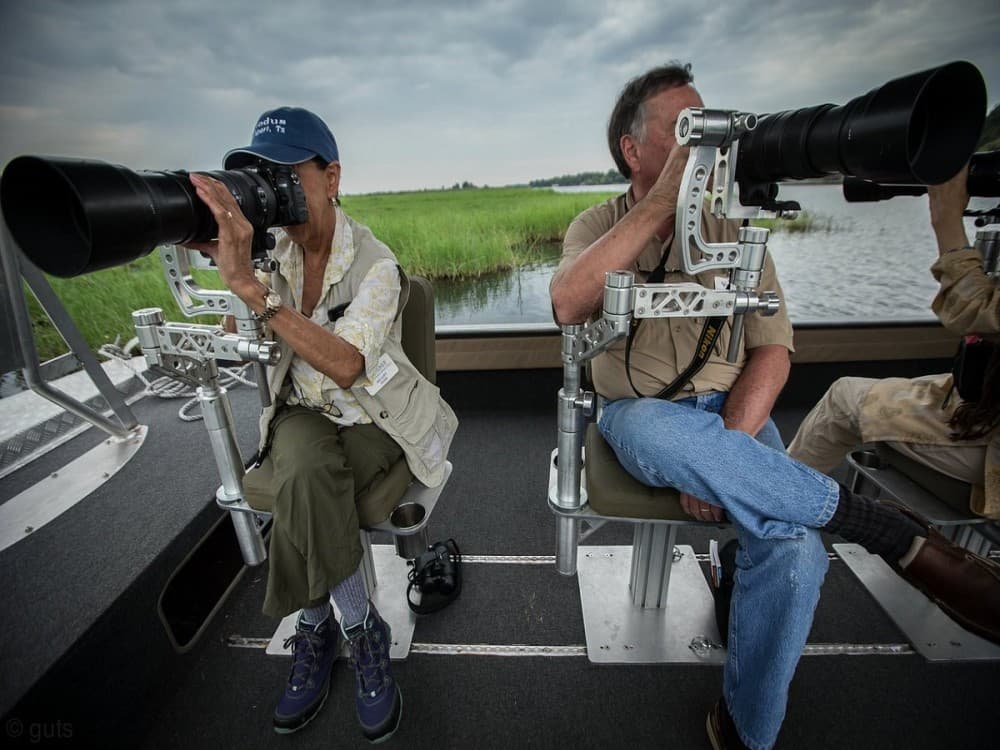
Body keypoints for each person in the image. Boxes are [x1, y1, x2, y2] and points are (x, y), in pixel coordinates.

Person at [549, 62, 1000, 750]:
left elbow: (772, 352)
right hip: (639, 417)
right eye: (685, 131)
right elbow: (566, 303)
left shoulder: (735, 232)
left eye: (712, 130)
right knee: (662, 434)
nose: (706, 148)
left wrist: (725, 447)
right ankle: (874, 524)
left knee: (797, 557)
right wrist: (657, 208)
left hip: (732, 413)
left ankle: (744, 731)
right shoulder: (597, 224)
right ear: (632, 151)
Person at [185, 106, 457, 741]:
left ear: (331, 177)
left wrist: (256, 291)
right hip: (301, 418)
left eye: (288, 174)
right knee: (306, 466)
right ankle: (363, 630)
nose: (274, 190)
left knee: (303, 483)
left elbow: (344, 364)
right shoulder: (270, 253)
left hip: (371, 420)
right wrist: (230, 269)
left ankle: (316, 628)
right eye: (262, 176)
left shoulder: (377, 266)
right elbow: (236, 338)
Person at [788, 165, 999, 519]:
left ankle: (773, 518)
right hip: (981, 400)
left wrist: (945, 217)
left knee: (843, 398)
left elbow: (976, 311)